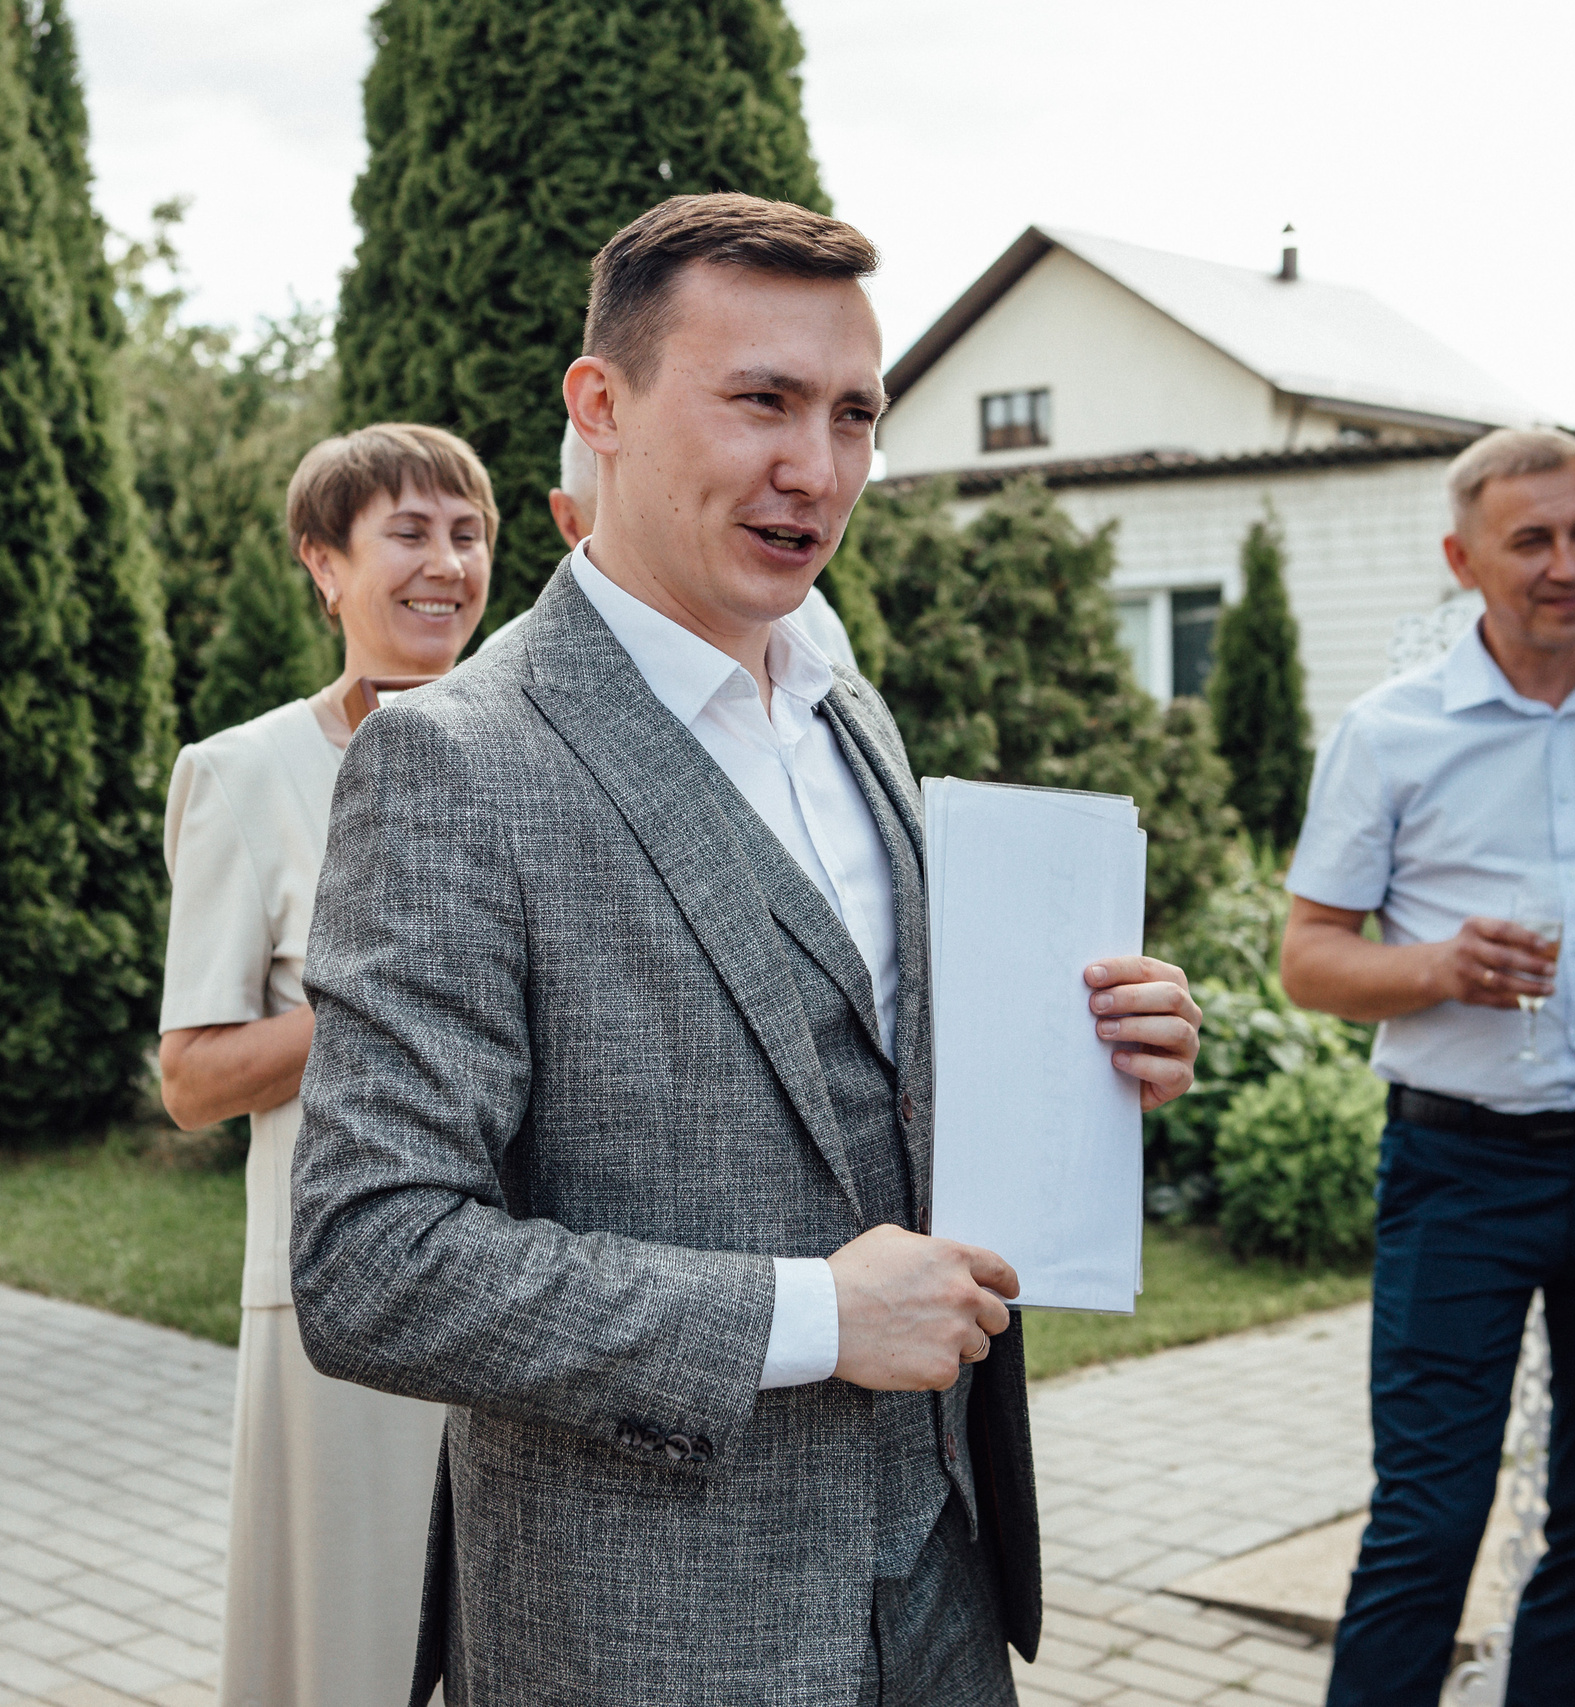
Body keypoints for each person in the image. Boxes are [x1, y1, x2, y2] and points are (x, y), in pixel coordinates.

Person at [289, 193, 1201, 1707]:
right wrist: (817, 1316)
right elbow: (370, 1260)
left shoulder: (853, 710)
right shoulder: (454, 760)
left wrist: (1094, 1049)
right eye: (761, 401)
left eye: (854, 414)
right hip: (650, 1626)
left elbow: (873, 1084)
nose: (818, 468)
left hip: (944, 1578)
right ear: (604, 407)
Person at [1279, 428, 1575, 1706]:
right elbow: (1309, 960)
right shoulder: (1390, 733)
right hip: (1460, 1168)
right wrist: (1441, 967)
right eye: (1533, 539)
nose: (1570, 564)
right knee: (1427, 1525)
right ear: (1463, 560)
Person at [156, 422, 494, 1706]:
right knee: (344, 1664)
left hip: (536, 1297)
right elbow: (192, 1079)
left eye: (466, 535)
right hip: (340, 1305)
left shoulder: (534, 759)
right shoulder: (246, 775)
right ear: (322, 564)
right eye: (407, 532)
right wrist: (382, 1004)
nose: (444, 564)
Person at [482, 420, 862, 671]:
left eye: (857, 415)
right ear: (568, 521)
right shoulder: (514, 675)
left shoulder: (811, 623)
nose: (818, 479)